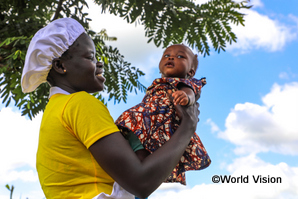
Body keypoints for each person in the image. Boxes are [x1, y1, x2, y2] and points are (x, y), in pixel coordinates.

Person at [21, 18, 201, 199]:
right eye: (90, 57)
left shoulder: (56, 108)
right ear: (60, 66)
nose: (99, 64)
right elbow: (141, 182)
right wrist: (188, 126)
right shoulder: (79, 103)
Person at [115, 44, 211, 185]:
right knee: (122, 159)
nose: (171, 57)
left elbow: (191, 93)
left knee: (141, 162)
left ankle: (136, 186)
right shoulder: (157, 84)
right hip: (138, 128)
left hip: (158, 132)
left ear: (190, 72)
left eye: (180, 56)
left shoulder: (184, 83)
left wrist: (186, 97)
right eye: (167, 55)